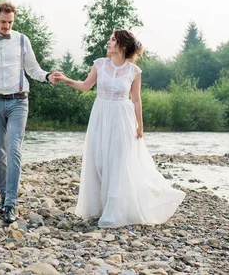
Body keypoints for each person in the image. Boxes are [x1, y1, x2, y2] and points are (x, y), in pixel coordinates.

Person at [57, 30, 185, 227]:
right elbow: (85, 85)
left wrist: (140, 125)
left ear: (123, 45)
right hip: (100, 114)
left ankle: (114, 211)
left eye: (113, 39)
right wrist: (65, 79)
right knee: (98, 159)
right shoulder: (99, 64)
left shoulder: (134, 71)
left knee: (118, 161)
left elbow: (135, 99)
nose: (108, 42)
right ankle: (97, 207)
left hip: (123, 117)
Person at [0, 0, 60, 223]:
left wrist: (47, 76)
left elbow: (32, 68)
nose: (7, 26)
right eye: (3, 22)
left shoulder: (22, 40)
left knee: (14, 149)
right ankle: (3, 197)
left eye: (10, 22)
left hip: (19, 102)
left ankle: (11, 205)